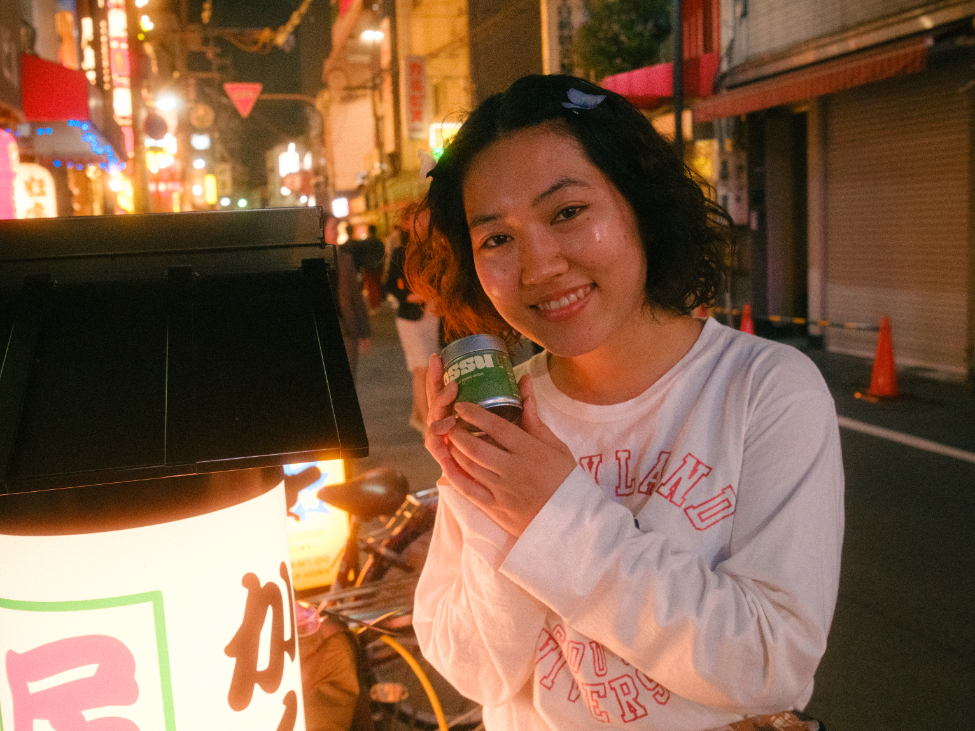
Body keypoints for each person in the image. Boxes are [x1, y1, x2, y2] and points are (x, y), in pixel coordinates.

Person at [404, 75, 844, 731]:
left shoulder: (763, 388)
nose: (537, 265)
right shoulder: (502, 410)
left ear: (638, 203)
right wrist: (488, 490)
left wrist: (553, 513)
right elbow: (475, 671)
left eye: (567, 212)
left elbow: (769, 662)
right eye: (496, 238)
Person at [384, 224, 442, 433]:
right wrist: (408, 297)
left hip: (432, 314)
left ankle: (420, 415)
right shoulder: (401, 253)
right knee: (421, 369)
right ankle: (427, 421)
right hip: (410, 318)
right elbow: (389, 284)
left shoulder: (434, 250)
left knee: (430, 367)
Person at [326, 214, 371, 378]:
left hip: (347, 328)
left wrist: (364, 331)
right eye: (332, 228)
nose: (336, 232)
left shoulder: (345, 259)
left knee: (349, 376)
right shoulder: (311, 260)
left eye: (337, 228)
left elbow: (356, 298)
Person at [346, 223, 387, 312]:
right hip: (377, 268)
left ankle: (374, 305)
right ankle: (378, 303)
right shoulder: (379, 242)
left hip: (368, 268)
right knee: (377, 286)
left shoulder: (364, 243)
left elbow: (359, 255)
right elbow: (383, 255)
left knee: (370, 288)